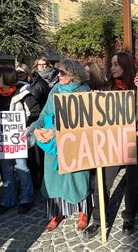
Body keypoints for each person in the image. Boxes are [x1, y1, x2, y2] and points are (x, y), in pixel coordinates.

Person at [84, 51, 138, 238]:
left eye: (117, 64)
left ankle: (129, 217)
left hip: (135, 141)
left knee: (133, 183)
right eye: (111, 64)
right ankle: (99, 219)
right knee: (101, 182)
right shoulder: (106, 88)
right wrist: (94, 100)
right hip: (111, 141)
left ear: (126, 66)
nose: (113, 68)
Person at [29, 59, 92, 232]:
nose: (59, 75)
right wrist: (37, 128)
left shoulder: (84, 91)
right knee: (53, 178)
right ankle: (57, 213)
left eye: (63, 72)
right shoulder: (55, 89)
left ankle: (83, 212)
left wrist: (56, 132)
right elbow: (45, 112)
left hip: (75, 143)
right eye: (59, 71)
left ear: (73, 74)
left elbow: (81, 121)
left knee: (77, 177)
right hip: (53, 145)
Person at [0, 66, 40, 216]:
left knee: (22, 167)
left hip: (18, 139)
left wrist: (25, 126)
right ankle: (8, 199)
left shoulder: (23, 93)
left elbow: (35, 112)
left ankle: (26, 198)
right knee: (6, 170)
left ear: (7, 77)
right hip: (1, 140)